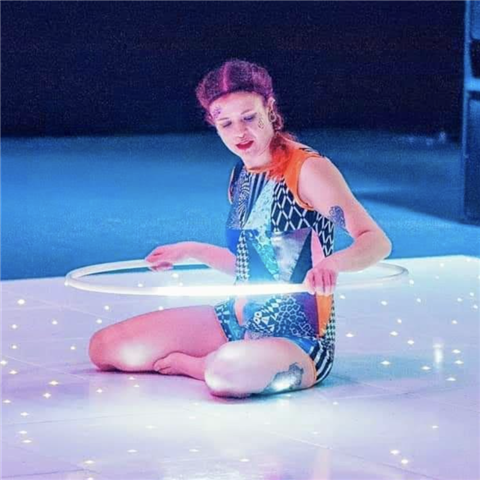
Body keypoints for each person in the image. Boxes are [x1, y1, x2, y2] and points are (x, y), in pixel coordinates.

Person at [88, 59, 392, 398]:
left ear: (270, 109)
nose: (239, 133)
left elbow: (376, 241)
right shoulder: (241, 176)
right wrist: (191, 250)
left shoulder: (308, 170)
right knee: (106, 347)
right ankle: (222, 356)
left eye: (249, 118)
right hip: (236, 322)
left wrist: (333, 264)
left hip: (300, 340)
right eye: (226, 123)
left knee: (226, 374)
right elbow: (249, 268)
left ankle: (203, 365)